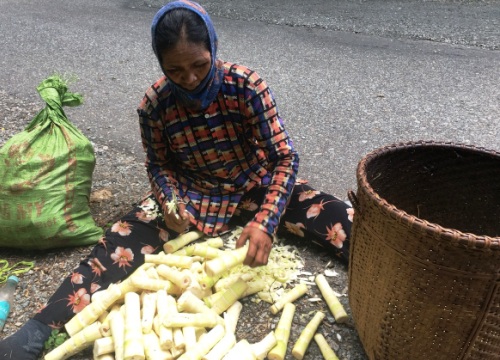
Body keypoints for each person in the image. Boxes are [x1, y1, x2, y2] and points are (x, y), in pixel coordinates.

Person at [0, 1, 353, 358]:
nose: (190, 79)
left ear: (212, 48)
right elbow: (158, 166)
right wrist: (170, 201)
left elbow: (285, 157)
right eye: (175, 69)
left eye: (199, 65)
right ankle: (40, 330)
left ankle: (391, 268)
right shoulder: (154, 104)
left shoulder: (247, 86)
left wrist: (266, 220)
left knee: (334, 215)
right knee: (117, 245)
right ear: (161, 63)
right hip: (193, 192)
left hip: (253, 182)